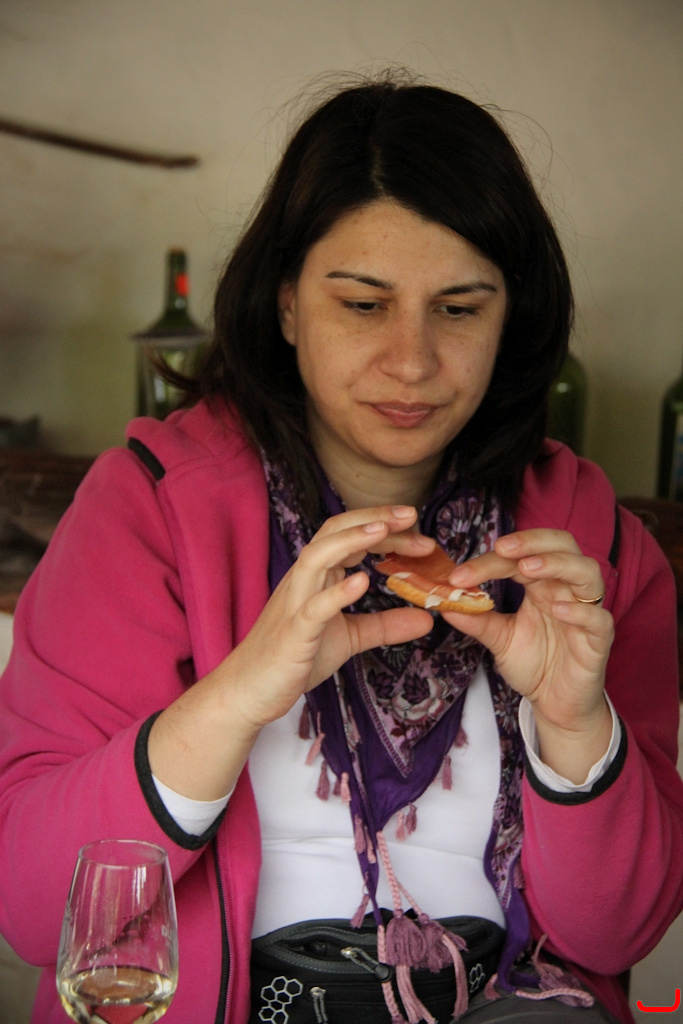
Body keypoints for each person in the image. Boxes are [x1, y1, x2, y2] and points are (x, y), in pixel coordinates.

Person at [1, 70, 682, 1024]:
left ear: (511, 317)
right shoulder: (147, 510)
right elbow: (35, 911)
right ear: (286, 304)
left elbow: (620, 937)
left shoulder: (589, 546)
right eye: (363, 304)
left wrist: (575, 729)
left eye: (459, 308)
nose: (411, 361)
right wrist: (240, 694)